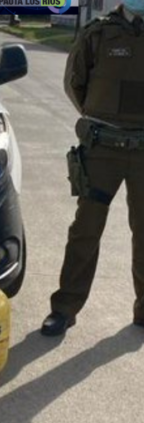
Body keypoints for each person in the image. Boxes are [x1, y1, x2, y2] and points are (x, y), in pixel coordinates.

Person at [43, 0, 144, 336]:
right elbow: (76, 83)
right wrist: (102, 118)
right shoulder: (97, 34)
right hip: (103, 149)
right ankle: (64, 308)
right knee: (85, 229)